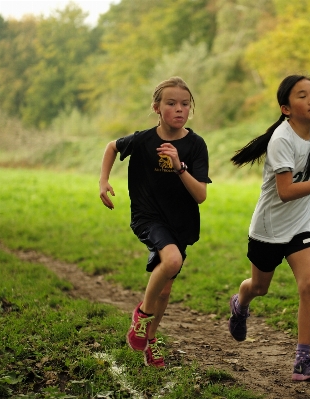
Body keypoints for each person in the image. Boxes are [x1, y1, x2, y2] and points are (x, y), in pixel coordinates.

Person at [227, 75, 310, 382]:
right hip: (269, 228)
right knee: (259, 288)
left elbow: (303, 176)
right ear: (285, 108)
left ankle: (302, 360)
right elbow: (284, 191)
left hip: (300, 224)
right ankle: (241, 303)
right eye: (302, 96)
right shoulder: (281, 139)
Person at [99, 77, 211, 368]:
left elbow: (200, 195)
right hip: (148, 217)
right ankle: (142, 314)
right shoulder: (144, 140)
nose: (179, 109)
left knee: (165, 289)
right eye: (171, 103)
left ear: (191, 109)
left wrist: (179, 167)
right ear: (157, 108)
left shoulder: (196, 145)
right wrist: (103, 181)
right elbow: (112, 147)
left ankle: (150, 339)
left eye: (185, 104)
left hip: (181, 223)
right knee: (171, 261)